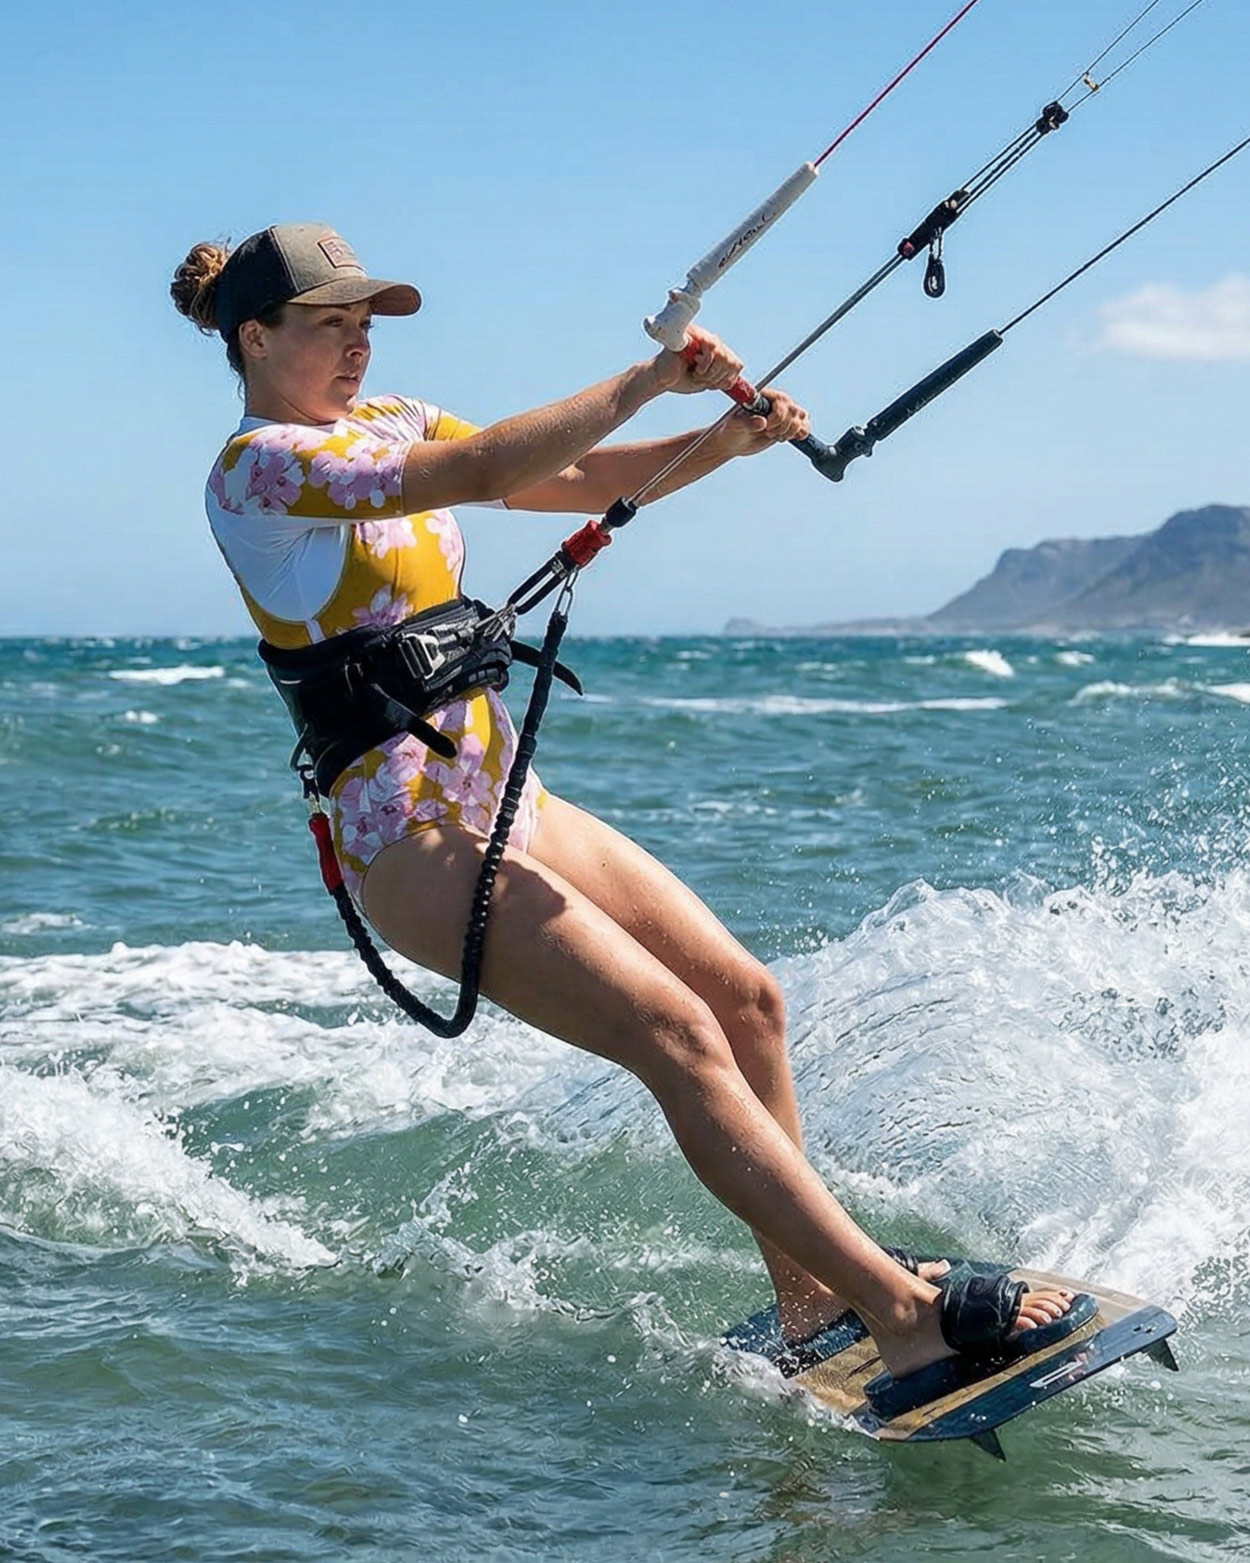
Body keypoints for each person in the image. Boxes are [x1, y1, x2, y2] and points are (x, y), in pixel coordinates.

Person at [171, 222, 1086, 1411]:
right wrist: (648, 377)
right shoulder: (256, 469)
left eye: (363, 323)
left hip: (504, 799)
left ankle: (810, 1299)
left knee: (746, 1003)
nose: (356, 345)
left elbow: (557, 479)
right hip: (409, 838)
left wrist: (717, 442)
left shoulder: (391, 417)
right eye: (327, 324)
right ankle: (902, 1317)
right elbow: (477, 471)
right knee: (676, 1036)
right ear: (253, 337)